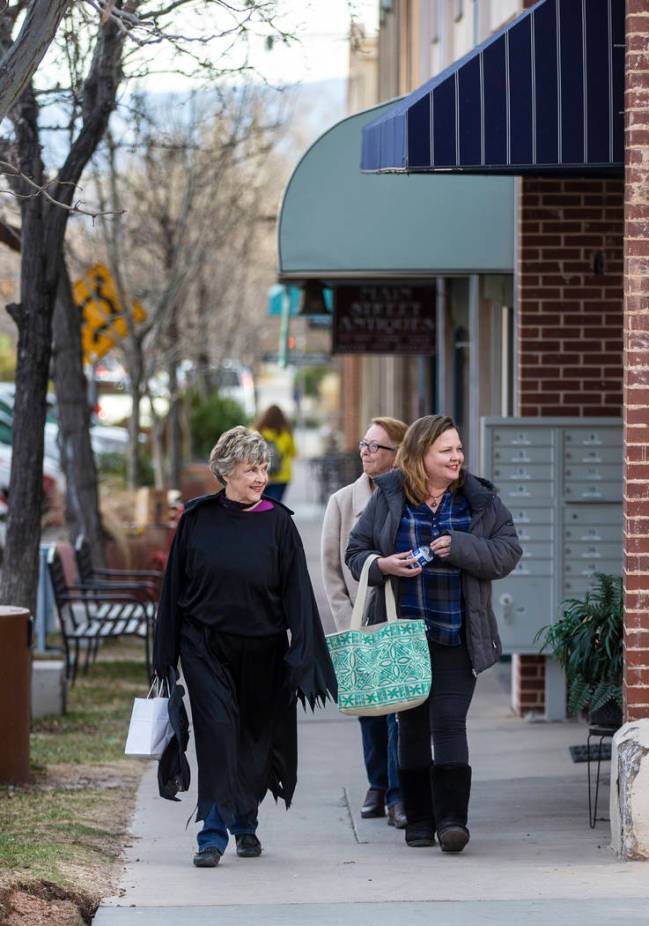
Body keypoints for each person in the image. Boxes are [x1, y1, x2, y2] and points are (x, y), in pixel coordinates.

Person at [153, 426, 337, 868]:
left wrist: (303, 651)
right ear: (226, 472)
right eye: (251, 469)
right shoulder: (197, 520)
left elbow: (298, 594)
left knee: (254, 739)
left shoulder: (278, 522)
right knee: (218, 734)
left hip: (263, 649)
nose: (260, 477)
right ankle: (212, 832)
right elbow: (173, 588)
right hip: (204, 647)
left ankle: (246, 823)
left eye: (264, 468)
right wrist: (166, 657)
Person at [346, 415, 521, 853]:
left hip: (458, 634)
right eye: (446, 450)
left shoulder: (478, 501)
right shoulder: (388, 498)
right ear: (421, 456)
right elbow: (356, 551)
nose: (457, 457)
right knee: (410, 726)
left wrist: (461, 546)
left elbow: (507, 553)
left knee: (448, 724)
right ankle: (418, 821)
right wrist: (383, 565)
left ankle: (452, 822)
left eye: (459, 449)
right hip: (404, 634)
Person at [321, 416, 409, 829]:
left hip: (397, 617)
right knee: (369, 709)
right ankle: (376, 784)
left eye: (376, 447)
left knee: (399, 710)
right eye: (364, 444)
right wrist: (345, 622)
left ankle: (396, 793)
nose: (366, 452)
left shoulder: (408, 498)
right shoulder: (342, 501)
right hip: (357, 618)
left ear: (397, 456)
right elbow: (331, 570)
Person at [255, 405, 297, 502]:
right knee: (275, 505)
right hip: (282, 475)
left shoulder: (257, 431)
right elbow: (293, 453)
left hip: (261, 474)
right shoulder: (286, 432)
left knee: (260, 504)